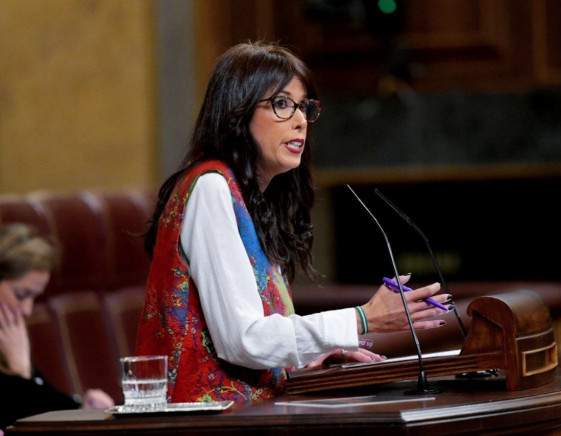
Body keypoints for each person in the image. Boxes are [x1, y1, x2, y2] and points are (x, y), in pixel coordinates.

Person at [135, 41, 451, 404]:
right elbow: (244, 341)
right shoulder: (210, 188)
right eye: (282, 104)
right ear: (236, 114)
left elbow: (257, 343)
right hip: (202, 423)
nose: (300, 120)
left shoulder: (252, 201)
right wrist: (361, 319)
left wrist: (306, 361)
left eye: (304, 107)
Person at [0, 223, 114, 431]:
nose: (27, 310)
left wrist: (81, 408)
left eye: (34, 297)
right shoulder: (12, 347)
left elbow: (47, 405)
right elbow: (21, 424)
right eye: (21, 295)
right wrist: (21, 372)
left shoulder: (7, 341)